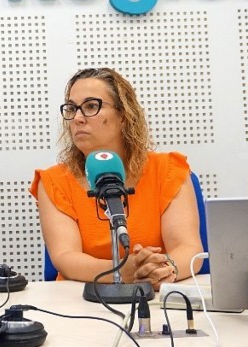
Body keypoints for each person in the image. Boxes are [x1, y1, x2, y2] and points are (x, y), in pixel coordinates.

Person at [31, 68, 202, 291]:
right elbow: (66, 257)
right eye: (72, 109)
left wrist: (165, 269)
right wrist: (121, 271)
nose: (78, 118)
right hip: (81, 304)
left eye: (91, 106)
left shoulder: (168, 169)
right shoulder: (54, 181)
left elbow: (188, 247)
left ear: (123, 115)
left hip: (157, 298)